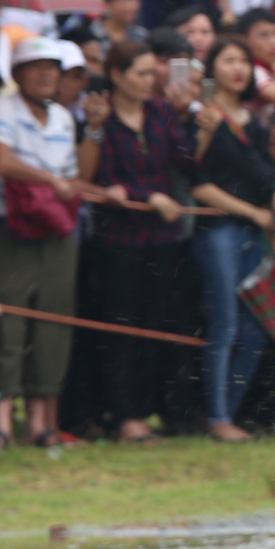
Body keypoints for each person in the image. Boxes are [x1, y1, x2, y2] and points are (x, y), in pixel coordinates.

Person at [77, 40, 192, 443]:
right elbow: (95, 177)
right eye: (141, 73)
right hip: (118, 237)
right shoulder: (100, 116)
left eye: (151, 72)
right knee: (121, 328)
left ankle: (147, 409)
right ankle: (125, 415)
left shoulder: (160, 111)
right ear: (117, 76)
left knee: (155, 324)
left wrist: (196, 120)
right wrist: (148, 198)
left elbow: (184, 161)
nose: (150, 80)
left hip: (162, 236)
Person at [0, 39, 89, 448]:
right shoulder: (3, 108)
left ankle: (42, 422)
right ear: (19, 74)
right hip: (8, 227)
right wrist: (50, 181)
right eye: (36, 67)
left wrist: (94, 188)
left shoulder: (62, 118)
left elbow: (73, 176)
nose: (45, 75)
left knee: (54, 322)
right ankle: (0, 423)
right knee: (7, 322)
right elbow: (0, 161)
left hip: (55, 229)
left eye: (52, 68)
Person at [191, 35, 275, 442]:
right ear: (212, 69)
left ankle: (226, 411)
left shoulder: (254, 120)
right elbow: (196, 181)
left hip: (252, 232)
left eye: (244, 60)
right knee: (224, 322)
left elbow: (266, 180)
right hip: (219, 231)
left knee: (254, 328)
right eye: (228, 60)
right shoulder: (202, 116)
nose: (238, 68)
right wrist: (256, 214)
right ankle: (217, 418)